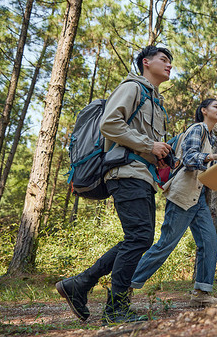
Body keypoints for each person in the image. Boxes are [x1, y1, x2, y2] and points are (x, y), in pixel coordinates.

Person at [56, 45, 173, 324]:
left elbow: (140, 140)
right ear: (146, 62)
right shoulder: (132, 87)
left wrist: (159, 156)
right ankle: (115, 308)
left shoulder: (156, 103)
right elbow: (109, 124)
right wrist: (148, 145)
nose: (169, 65)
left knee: (139, 238)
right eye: (164, 60)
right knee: (139, 237)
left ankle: (80, 285)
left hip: (143, 176)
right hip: (124, 173)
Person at [130, 98, 217, 306]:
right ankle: (125, 286)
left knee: (209, 243)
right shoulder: (198, 128)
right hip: (182, 195)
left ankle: (202, 293)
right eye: (216, 107)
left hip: (198, 199)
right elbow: (189, 159)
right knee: (165, 245)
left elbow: (205, 168)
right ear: (203, 110)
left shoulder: (209, 136)